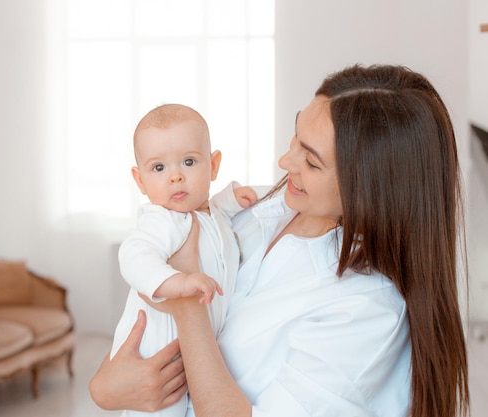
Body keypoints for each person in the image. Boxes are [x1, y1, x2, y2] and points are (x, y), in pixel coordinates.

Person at [90, 64, 470, 417]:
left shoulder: (366, 308)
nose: (285, 161)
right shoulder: (257, 210)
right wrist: (104, 389)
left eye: (312, 160)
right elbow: (134, 349)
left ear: (369, 188)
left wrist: (188, 307)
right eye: (296, 135)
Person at [111, 103, 258, 417]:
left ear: (214, 165)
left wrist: (230, 201)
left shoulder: (206, 213)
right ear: (140, 181)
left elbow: (211, 217)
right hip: (156, 352)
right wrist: (178, 281)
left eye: (189, 162)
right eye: (159, 168)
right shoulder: (161, 220)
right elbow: (133, 255)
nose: (176, 177)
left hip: (196, 349)